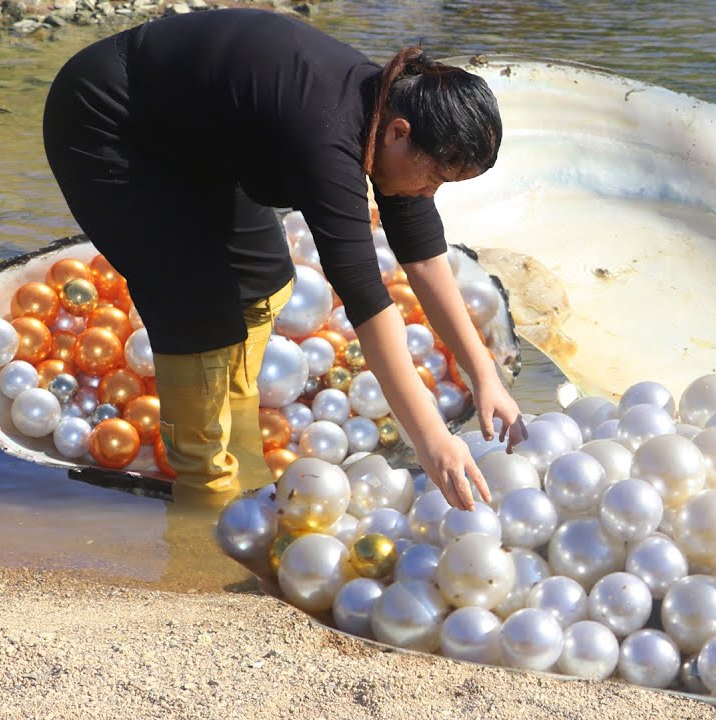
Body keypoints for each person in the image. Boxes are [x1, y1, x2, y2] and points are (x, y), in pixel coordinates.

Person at [42, 8, 521, 512]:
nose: (429, 193)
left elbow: (425, 260)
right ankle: (203, 496)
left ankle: (238, 439)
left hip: (197, 140)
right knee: (198, 308)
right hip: (110, 120)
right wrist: (431, 441)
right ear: (399, 133)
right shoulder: (327, 137)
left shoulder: (389, 121)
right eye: (433, 178)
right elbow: (365, 297)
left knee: (263, 279)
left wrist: (483, 374)